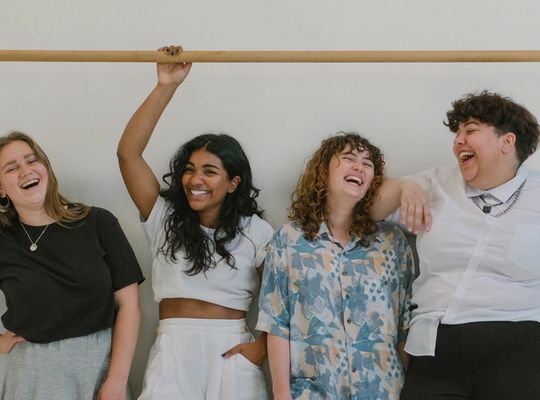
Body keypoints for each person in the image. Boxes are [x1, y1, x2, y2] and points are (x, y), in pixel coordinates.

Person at [117, 46, 273, 400]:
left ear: (233, 183)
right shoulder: (165, 218)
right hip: (174, 346)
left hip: (233, 348)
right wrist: (166, 85)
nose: (195, 179)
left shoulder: (257, 231)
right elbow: (128, 154)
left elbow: (283, 299)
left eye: (209, 171)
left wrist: (261, 347)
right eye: (189, 169)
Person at [372, 91, 540, 400]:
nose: (458, 141)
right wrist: (401, 186)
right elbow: (363, 209)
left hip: (518, 346)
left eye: (471, 130)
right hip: (435, 346)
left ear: (507, 141)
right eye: (457, 133)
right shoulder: (434, 184)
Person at [257, 133, 415, 400]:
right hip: (313, 392)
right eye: (349, 159)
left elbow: (404, 323)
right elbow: (276, 323)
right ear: (324, 172)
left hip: (382, 391)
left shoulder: (392, 241)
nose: (359, 167)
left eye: (367, 163)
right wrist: (281, 394)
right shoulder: (290, 239)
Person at [0, 132, 144, 400]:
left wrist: (117, 380)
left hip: (98, 370)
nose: (26, 171)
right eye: (11, 168)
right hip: (30, 374)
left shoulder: (98, 222)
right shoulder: (3, 240)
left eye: (32, 160)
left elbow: (130, 306)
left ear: (45, 167)